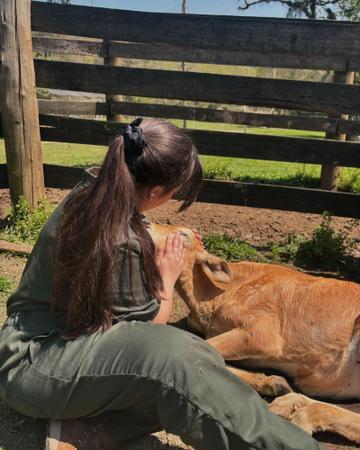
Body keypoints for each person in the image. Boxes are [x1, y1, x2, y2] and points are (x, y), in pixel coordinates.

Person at [0, 118, 323, 450]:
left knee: (198, 361)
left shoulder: (96, 191)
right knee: (177, 365)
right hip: (34, 364)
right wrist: (165, 281)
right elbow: (145, 335)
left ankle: (88, 432)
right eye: (174, 193)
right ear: (154, 191)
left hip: (37, 347)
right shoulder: (120, 238)